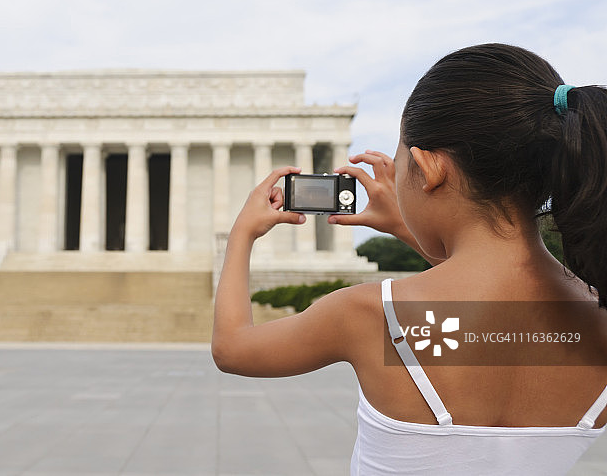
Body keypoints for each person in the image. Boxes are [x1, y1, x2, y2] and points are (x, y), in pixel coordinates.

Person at [211, 43, 607, 475]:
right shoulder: (599, 321)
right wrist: (405, 226)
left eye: (399, 162)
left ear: (428, 168)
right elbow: (490, 304)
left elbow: (233, 349)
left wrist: (242, 235)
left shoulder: (371, 314)